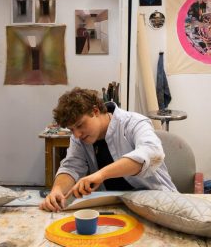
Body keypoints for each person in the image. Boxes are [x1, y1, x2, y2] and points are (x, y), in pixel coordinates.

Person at [40, 87, 177, 212]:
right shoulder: (79, 138)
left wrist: (101, 174)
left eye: (80, 125)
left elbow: (152, 153)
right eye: (71, 129)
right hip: (116, 206)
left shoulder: (134, 122)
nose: (76, 134)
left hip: (158, 203)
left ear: (95, 111)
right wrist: (57, 189)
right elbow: (71, 167)